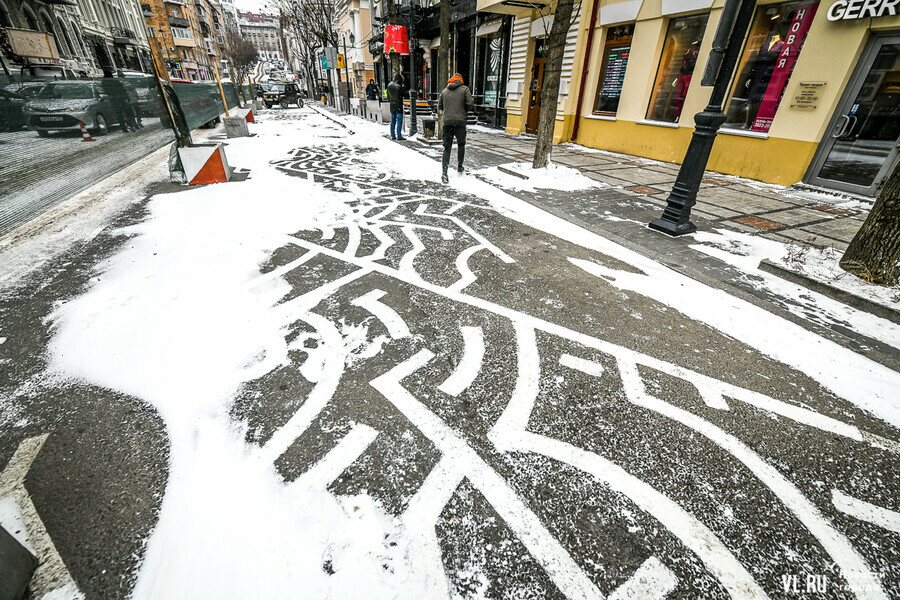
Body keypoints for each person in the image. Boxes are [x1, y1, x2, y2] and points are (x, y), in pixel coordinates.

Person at [437, 73, 474, 183]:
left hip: (447, 122)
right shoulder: (465, 89)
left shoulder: (444, 91)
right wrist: (463, 110)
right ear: (460, 80)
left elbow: (440, 106)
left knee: (446, 147)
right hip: (460, 122)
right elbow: (470, 103)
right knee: (461, 144)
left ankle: (444, 172)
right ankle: (459, 166)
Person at [387, 73, 405, 141]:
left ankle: (392, 135)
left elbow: (388, 97)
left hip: (392, 106)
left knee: (393, 121)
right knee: (399, 121)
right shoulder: (399, 87)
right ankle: (399, 135)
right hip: (398, 105)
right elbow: (403, 94)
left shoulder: (389, 85)